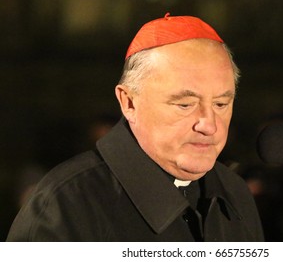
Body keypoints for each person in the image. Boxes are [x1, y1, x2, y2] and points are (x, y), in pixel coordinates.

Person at [7, 13, 264, 241]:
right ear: (129, 102)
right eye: (185, 105)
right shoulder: (67, 204)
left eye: (221, 104)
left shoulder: (234, 191)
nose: (209, 124)